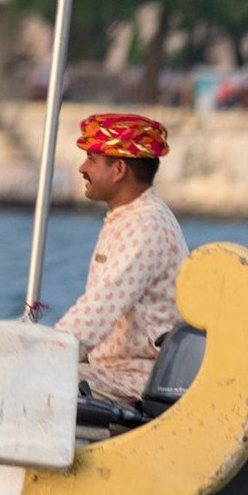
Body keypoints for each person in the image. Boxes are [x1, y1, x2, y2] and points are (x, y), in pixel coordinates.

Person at [54, 113, 187, 405]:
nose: (82, 168)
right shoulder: (130, 216)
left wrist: (45, 353)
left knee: (36, 377)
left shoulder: (146, 225)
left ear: (119, 169)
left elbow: (99, 309)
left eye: (91, 158)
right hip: (107, 370)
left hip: (136, 379)